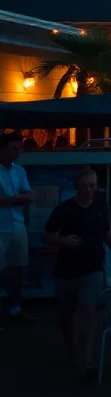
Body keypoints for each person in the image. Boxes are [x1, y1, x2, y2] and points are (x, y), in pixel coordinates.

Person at [43, 169, 111, 378]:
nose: (89, 190)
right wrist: (62, 240)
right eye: (86, 186)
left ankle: (86, 360)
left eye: (93, 186)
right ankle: (72, 346)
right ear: (77, 186)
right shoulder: (64, 210)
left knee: (88, 309)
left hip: (93, 267)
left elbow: (107, 231)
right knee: (66, 315)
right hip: (67, 269)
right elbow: (48, 235)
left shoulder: (99, 206)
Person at [0, 131, 34, 325]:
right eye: (14, 148)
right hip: (1, 226)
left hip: (17, 225)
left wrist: (17, 200)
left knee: (18, 268)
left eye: (19, 148)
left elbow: (29, 194)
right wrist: (14, 200)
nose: (18, 152)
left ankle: (16, 308)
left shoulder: (19, 171)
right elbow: (23, 196)